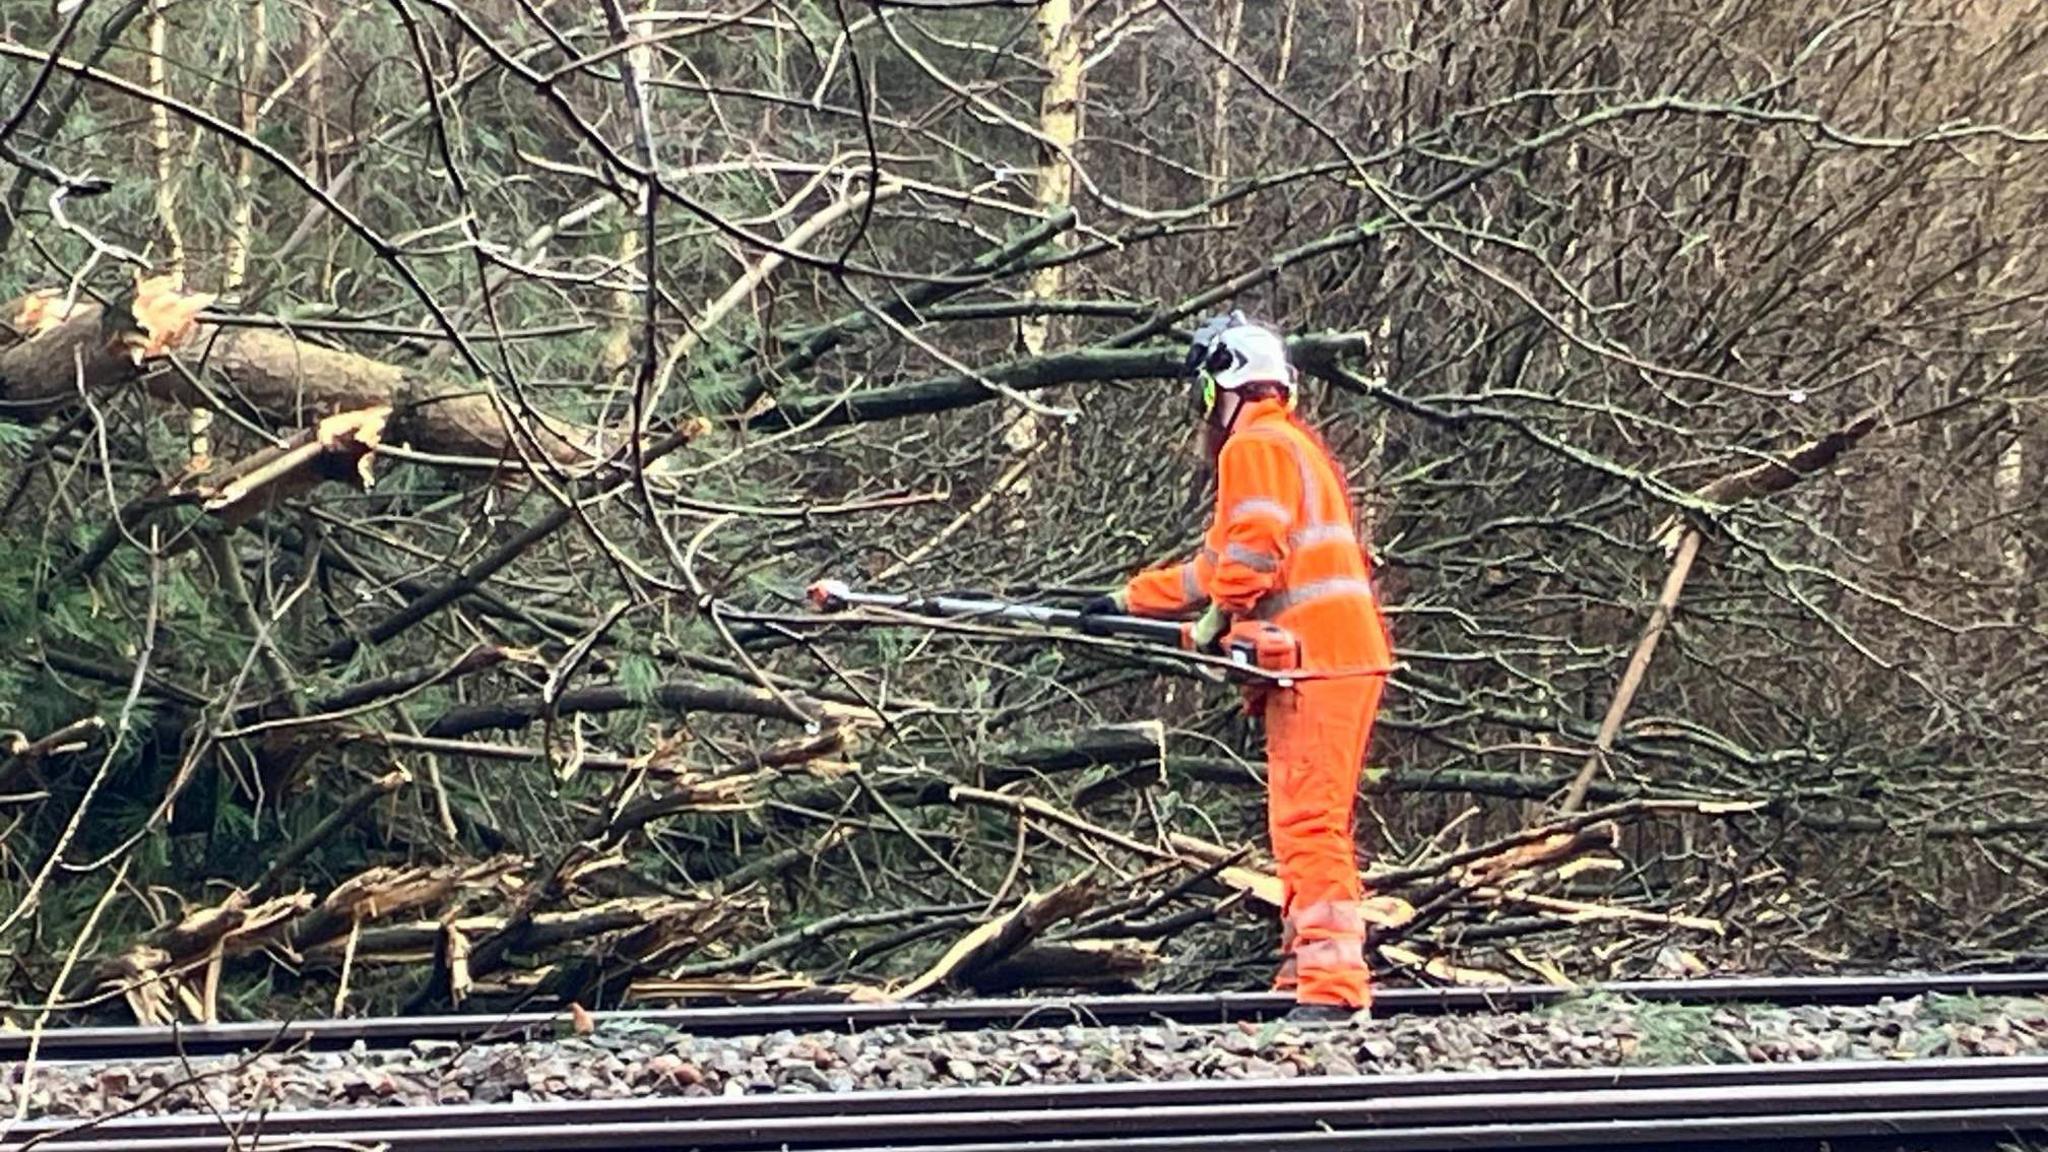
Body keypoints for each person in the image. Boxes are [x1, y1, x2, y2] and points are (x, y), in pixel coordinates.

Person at [1082, 311, 1393, 1024]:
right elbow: (1217, 566)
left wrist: (1219, 620)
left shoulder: (1252, 445)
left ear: (1221, 380)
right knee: (1298, 819)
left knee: (1311, 821)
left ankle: (1335, 988)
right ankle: (1303, 972)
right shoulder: (1288, 445)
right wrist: (1124, 599)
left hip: (1320, 660)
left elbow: (1251, 556)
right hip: (1325, 658)